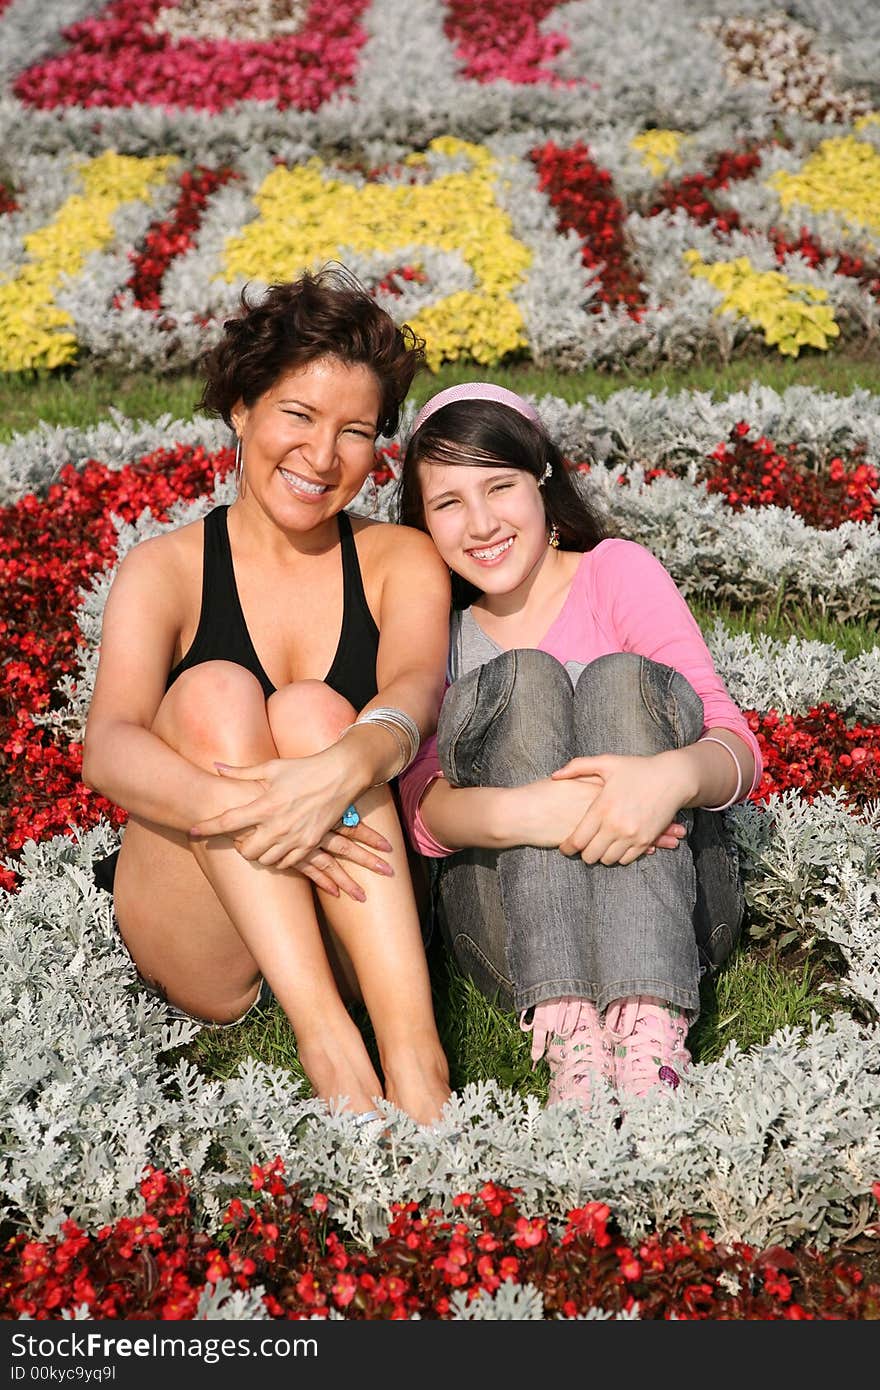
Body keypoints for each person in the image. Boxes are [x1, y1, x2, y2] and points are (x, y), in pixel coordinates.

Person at [83, 268, 453, 1128]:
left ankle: (413, 1050)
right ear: (241, 408)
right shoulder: (165, 569)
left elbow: (411, 689)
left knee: (320, 717)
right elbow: (108, 746)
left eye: (356, 432)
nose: (323, 458)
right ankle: (328, 1044)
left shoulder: (402, 559)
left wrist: (335, 773)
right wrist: (263, 808)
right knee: (214, 691)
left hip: (352, 912)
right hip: (204, 926)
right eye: (299, 416)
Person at [396, 382, 763, 1105]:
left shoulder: (614, 571)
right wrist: (530, 814)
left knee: (622, 680)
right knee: (524, 682)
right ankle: (573, 1035)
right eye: (447, 503)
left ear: (542, 480)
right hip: (514, 938)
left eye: (498, 486)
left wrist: (670, 780)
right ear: (422, 524)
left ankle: (650, 1027)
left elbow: (736, 745)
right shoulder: (436, 627)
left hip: (677, 913)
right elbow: (418, 805)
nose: (480, 523)